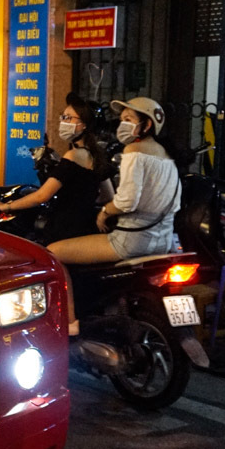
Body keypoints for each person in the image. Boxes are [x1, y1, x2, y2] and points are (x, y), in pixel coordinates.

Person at [46, 96, 182, 334]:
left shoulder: (134, 150)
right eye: (121, 120)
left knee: (52, 253)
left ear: (146, 125)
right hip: (163, 240)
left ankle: (70, 323)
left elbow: (127, 200)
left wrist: (105, 212)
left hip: (132, 241)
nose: (122, 125)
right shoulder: (166, 156)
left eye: (129, 119)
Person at [0, 97, 113, 244]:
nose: (63, 122)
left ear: (84, 125)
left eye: (69, 118)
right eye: (63, 117)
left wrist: (7, 206)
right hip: (85, 225)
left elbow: (41, 196)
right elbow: (107, 196)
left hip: (64, 228)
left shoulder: (73, 156)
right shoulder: (96, 156)